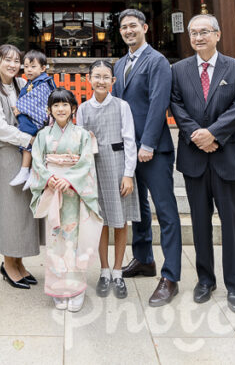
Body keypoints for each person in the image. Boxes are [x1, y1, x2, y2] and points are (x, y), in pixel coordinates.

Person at [169, 13, 235, 314]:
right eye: (193, 33)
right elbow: (176, 104)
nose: (198, 37)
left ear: (217, 35)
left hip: (228, 155)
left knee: (230, 224)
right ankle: (205, 280)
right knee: (200, 222)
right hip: (195, 157)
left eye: (204, 31)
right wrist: (197, 135)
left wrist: (214, 134)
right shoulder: (178, 70)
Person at [112, 8, 182, 307]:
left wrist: (148, 143)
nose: (128, 31)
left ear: (145, 27)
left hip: (153, 149)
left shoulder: (157, 61)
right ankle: (143, 259)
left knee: (165, 211)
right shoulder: (119, 65)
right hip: (128, 149)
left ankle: (170, 276)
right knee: (136, 208)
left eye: (133, 26)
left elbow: (158, 103)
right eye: (124, 28)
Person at [29, 88, 102, 312]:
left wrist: (69, 180)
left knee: (74, 240)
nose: (61, 109)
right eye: (56, 105)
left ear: (73, 109)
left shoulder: (82, 135)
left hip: (75, 194)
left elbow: (87, 162)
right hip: (52, 192)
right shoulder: (43, 135)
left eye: (65, 105)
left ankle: (77, 288)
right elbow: (37, 161)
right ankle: (58, 289)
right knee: (55, 240)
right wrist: (49, 178)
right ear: (49, 109)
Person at [77, 60, 139, 300]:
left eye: (106, 77)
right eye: (96, 76)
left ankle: (118, 272)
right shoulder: (83, 109)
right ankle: (103, 270)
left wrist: (128, 174)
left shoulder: (122, 106)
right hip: (94, 167)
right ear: (89, 80)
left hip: (118, 165)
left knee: (120, 221)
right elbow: (80, 141)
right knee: (100, 220)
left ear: (113, 81)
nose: (101, 81)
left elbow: (130, 140)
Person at [0, 44, 42, 290]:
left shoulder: (21, 85)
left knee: (25, 209)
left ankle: (19, 261)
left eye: (17, 60)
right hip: (8, 152)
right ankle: (8, 264)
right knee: (11, 209)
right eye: (7, 60)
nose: (13, 65)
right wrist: (28, 139)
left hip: (27, 153)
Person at [9, 50, 55, 188]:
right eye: (26, 66)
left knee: (30, 140)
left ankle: (28, 171)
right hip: (30, 121)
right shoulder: (31, 82)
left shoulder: (43, 83)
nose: (28, 69)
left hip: (38, 121)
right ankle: (27, 172)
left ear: (43, 68)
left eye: (33, 66)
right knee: (29, 143)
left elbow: (35, 101)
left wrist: (19, 109)